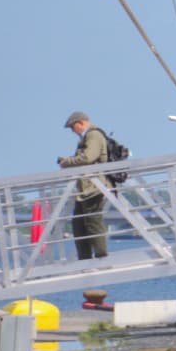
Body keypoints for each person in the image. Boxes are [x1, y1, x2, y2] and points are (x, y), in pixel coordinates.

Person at [58, 111, 124, 262]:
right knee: (79, 225)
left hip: (93, 188)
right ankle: (85, 258)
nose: (73, 131)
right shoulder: (88, 136)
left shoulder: (93, 135)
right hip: (86, 189)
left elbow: (89, 157)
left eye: (72, 127)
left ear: (80, 123)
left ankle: (101, 257)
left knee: (93, 222)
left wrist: (67, 162)